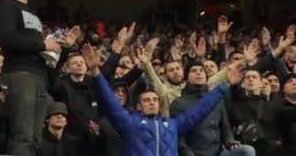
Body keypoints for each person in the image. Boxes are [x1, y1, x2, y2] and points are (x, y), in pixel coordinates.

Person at [81, 43, 244, 156]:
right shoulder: (129, 123)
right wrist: (95, 71)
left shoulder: (173, 125)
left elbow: (201, 109)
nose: (152, 102)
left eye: (155, 99)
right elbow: (110, 101)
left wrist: (225, 85)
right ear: (138, 106)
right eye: (147, 100)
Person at [0, 0, 64, 156]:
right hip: (19, 74)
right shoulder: (6, 7)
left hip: (39, 75)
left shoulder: (32, 12)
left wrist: (55, 48)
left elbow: (33, 44)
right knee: (22, 134)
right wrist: (43, 44)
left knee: (35, 137)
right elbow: (8, 40)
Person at [171, 62, 255, 156]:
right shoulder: (178, 103)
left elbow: (225, 127)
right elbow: (177, 135)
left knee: (247, 150)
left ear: (206, 78)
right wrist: (187, 152)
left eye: (201, 71)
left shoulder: (217, 100)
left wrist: (229, 141)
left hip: (218, 152)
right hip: (194, 152)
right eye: (194, 71)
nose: (198, 73)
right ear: (187, 78)